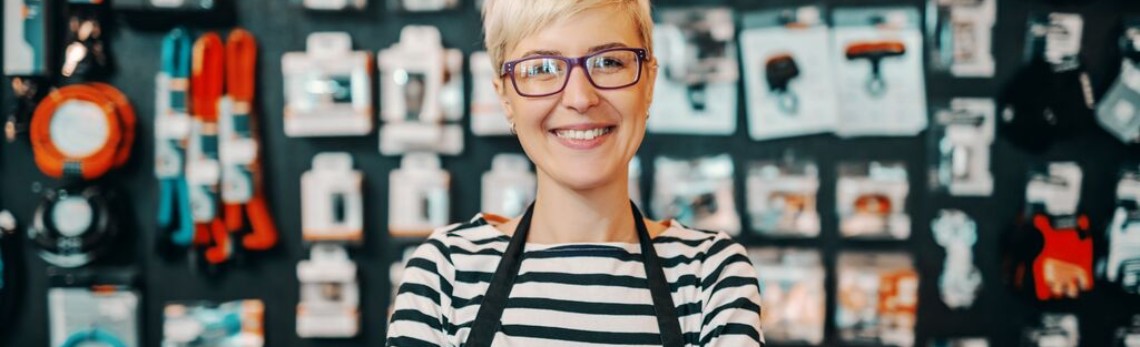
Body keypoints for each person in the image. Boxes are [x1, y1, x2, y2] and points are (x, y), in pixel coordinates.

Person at [386, 0, 765, 346]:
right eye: (542, 69)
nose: (580, 98)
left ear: (648, 82)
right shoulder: (447, 272)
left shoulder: (709, 274)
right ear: (505, 96)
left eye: (609, 62)